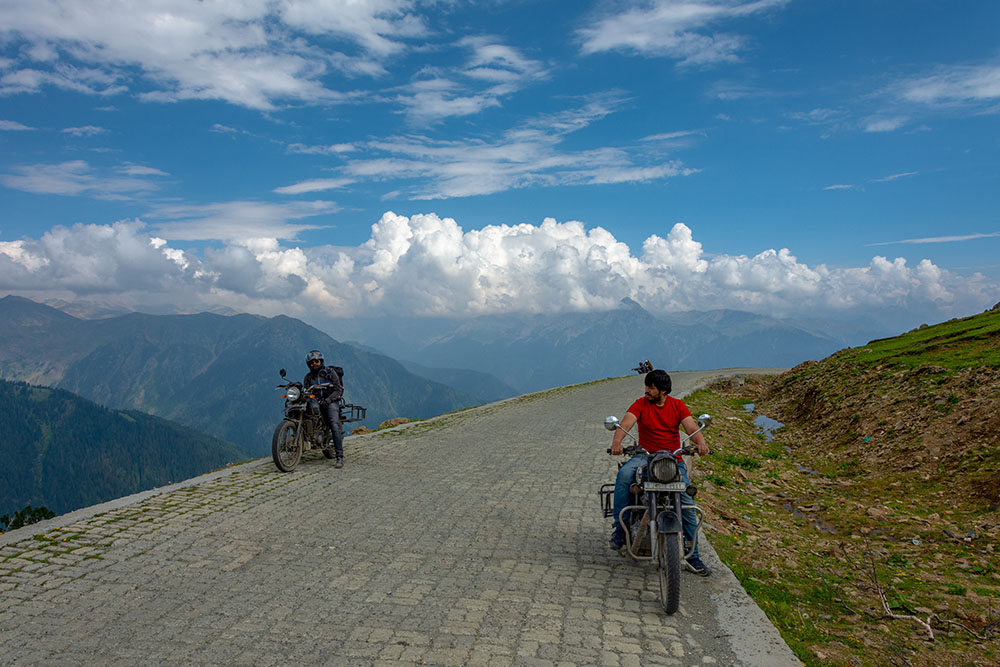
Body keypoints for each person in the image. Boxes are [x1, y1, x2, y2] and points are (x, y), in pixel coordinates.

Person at [608, 369, 712, 576]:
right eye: (646, 386)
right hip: (645, 455)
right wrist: (617, 442)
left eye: (651, 387)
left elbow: (691, 428)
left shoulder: (678, 406)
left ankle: (694, 556)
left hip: (672, 459)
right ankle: (620, 530)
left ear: (663, 391)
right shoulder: (640, 404)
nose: (646, 390)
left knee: (688, 506)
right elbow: (627, 422)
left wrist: (701, 444)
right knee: (624, 476)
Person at [303, 349, 345, 468]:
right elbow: (306, 391)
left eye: (316, 361)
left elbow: (338, 390)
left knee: (334, 424)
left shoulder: (330, 372)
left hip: (330, 401)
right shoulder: (308, 378)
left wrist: (328, 400)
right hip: (315, 402)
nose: (314, 364)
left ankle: (339, 457)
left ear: (321, 361)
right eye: (311, 363)